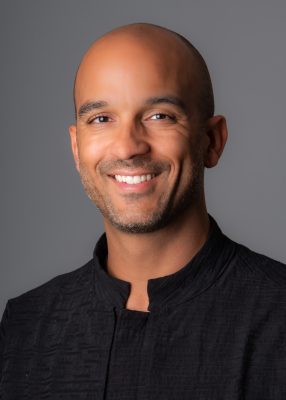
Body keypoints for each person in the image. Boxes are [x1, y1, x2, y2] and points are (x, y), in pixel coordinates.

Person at [1, 22, 286, 400]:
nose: (128, 147)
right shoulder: (25, 325)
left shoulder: (279, 317)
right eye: (101, 119)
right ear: (76, 148)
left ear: (212, 141)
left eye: (159, 116)